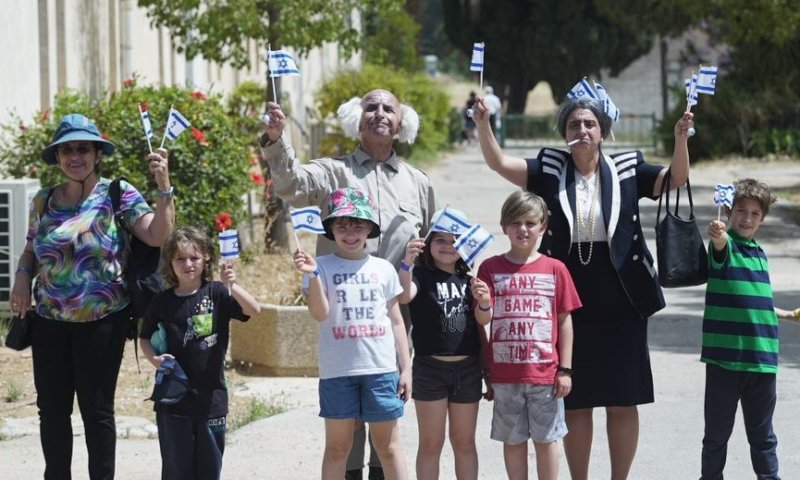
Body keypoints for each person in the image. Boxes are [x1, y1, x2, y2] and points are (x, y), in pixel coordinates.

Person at [471, 95, 694, 480]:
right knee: (575, 400)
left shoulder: (626, 167)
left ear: (603, 131)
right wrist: (484, 124)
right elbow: (498, 163)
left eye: (590, 124)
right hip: (568, 297)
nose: (582, 130)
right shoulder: (550, 168)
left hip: (624, 296)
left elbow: (675, 178)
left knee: (624, 400)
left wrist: (680, 140)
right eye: (574, 125)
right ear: (565, 133)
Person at [261, 89, 436, 480]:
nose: (379, 113)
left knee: (385, 415)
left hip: (394, 313)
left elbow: (434, 249)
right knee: (345, 425)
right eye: (370, 107)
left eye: (388, 108)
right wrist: (277, 140)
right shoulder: (334, 171)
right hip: (341, 318)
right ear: (357, 120)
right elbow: (291, 183)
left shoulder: (418, 183)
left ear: (401, 122)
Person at [8, 113, 175, 479]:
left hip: (103, 322)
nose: (74, 156)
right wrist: (21, 277)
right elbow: (31, 249)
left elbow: (158, 235)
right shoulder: (43, 199)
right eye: (66, 150)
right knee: (51, 411)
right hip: (49, 321)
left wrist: (163, 185)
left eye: (83, 148)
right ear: (58, 157)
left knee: (97, 411)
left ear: (97, 154)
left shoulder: (118, 193)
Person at [292, 187, 412, 480]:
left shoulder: (383, 269)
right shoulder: (320, 266)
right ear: (330, 229)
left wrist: (406, 368)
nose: (350, 232)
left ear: (370, 229)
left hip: (382, 370)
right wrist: (311, 275)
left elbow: (397, 322)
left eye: (358, 225)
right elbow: (320, 314)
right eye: (341, 225)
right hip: (337, 372)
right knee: (337, 449)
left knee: (389, 448)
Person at [471, 190, 581, 480]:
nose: (523, 229)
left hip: (545, 374)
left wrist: (565, 369)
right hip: (506, 376)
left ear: (543, 227)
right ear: (505, 226)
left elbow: (565, 320)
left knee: (547, 441)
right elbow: (483, 319)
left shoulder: (555, 269)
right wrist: (483, 302)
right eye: (516, 222)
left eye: (531, 223)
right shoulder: (490, 268)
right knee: (514, 441)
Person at [138, 226, 261, 480]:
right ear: (169, 263)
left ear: (206, 258)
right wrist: (154, 359)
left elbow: (253, 309)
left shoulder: (216, 292)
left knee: (209, 469)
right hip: (172, 401)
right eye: (180, 258)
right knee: (176, 470)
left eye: (194, 257)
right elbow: (144, 337)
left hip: (211, 401)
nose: (188, 264)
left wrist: (232, 285)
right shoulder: (161, 301)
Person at [700, 178, 798, 480]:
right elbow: (719, 246)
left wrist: (785, 314)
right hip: (724, 361)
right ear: (728, 211)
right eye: (741, 211)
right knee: (717, 435)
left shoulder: (759, 253)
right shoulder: (726, 246)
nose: (747, 218)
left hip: (762, 360)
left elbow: (755, 302)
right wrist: (718, 236)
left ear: (763, 219)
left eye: (755, 214)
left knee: (763, 435)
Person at [398, 208, 486, 480]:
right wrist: (406, 263)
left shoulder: (471, 281)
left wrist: (484, 302)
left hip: (468, 369)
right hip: (429, 369)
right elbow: (403, 296)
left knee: (465, 443)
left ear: (466, 245)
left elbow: (483, 321)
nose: (448, 246)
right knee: (430, 444)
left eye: (455, 240)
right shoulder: (420, 277)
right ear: (428, 243)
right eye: (440, 240)